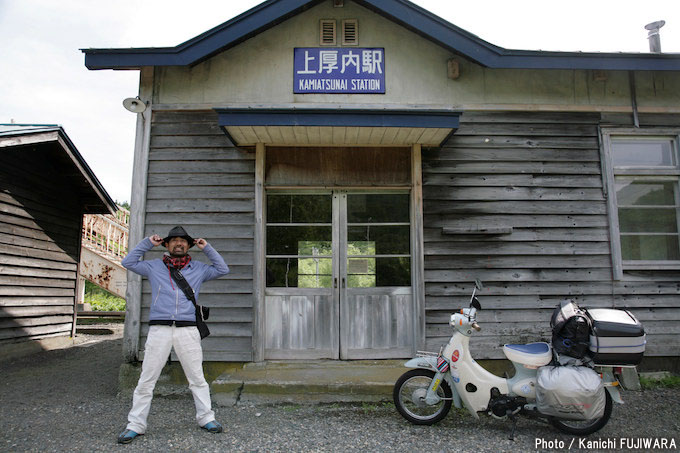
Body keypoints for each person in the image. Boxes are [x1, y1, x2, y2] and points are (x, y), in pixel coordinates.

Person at [117, 226, 229, 444]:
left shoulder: (199, 268)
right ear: (166, 245)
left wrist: (207, 248)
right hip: (160, 329)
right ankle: (136, 424)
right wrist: (147, 243)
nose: (179, 243)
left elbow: (222, 269)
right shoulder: (153, 266)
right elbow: (128, 262)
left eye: (184, 241)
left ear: (189, 245)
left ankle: (206, 418)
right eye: (174, 240)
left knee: (197, 378)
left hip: (188, 329)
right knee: (147, 379)